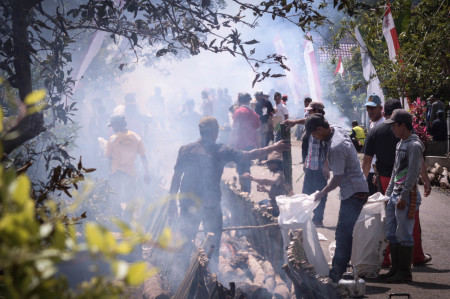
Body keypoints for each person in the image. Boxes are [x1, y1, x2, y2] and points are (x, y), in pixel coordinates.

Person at [169, 116, 289, 275]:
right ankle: (211, 274)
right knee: (213, 243)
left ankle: (182, 273)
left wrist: (171, 203)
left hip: (188, 202)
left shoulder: (185, 149)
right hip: (210, 204)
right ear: (214, 132)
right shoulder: (221, 150)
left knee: (186, 238)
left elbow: (176, 178)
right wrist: (272, 147)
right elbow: (250, 154)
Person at [363, 99, 432, 269]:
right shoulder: (401, 137)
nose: (393, 128)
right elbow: (415, 165)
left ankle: (387, 260)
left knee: (394, 222)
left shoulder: (377, 131)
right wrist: (426, 178)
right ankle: (416, 257)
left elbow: (367, 160)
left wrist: (361, 183)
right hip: (394, 182)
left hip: (389, 181)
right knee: (408, 221)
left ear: (385, 111)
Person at [304, 113, 368, 283]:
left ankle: (336, 276)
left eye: (314, 134)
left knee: (343, 234)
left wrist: (321, 193)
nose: (315, 138)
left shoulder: (337, 147)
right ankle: (338, 272)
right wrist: (326, 164)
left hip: (355, 192)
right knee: (344, 233)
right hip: (353, 190)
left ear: (319, 129)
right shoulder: (335, 129)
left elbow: (337, 179)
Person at [382, 109, 424, 283]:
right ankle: (395, 268)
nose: (392, 129)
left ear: (402, 125)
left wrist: (403, 196)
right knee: (391, 231)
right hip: (395, 195)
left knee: (404, 233)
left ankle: (404, 272)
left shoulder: (414, 145)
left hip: (405, 196)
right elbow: (395, 171)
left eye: (393, 125)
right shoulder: (400, 143)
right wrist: (388, 194)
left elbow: (413, 174)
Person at [285, 102, 329, 227]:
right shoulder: (311, 123)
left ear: (316, 110)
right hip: (310, 164)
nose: (308, 113)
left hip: (320, 167)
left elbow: (329, 149)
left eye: (310, 111)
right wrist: (305, 161)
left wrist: (326, 165)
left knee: (320, 193)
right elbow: (310, 145)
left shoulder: (324, 126)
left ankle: (318, 218)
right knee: (306, 192)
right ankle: (305, 217)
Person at [105, 114, 151, 221]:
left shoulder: (112, 139)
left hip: (115, 173)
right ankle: (127, 221)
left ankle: (117, 220)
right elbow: (143, 157)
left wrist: (109, 173)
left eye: (112, 126)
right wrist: (146, 173)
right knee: (130, 199)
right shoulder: (135, 137)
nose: (112, 128)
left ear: (116, 125)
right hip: (131, 173)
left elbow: (109, 158)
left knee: (115, 197)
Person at [230, 93, 261, 193]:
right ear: (249, 101)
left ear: (239, 101)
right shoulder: (254, 114)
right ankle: (247, 192)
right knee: (247, 168)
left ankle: (244, 193)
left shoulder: (238, 112)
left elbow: (234, 131)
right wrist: (260, 149)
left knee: (241, 170)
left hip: (240, 146)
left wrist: (230, 146)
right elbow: (257, 134)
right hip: (251, 147)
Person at [241, 151, 284, 217]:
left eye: (269, 164)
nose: (268, 166)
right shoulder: (276, 174)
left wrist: (251, 178)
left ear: (275, 164)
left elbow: (270, 182)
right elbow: (276, 194)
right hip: (273, 203)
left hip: (277, 208)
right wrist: (265, 190)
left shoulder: (279, 174)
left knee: (254, 211)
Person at [364, 94, 385, 195]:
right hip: (371, 170)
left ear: (380, 108)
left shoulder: (384, 125)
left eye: (373, 108)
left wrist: (378, 173)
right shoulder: (372, 124)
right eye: (368, 108)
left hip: (378, 172)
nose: (370, 111)